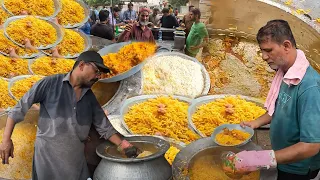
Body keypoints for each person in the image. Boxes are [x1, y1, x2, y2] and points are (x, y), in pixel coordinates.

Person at [0, 51, 140, 179]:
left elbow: (105, 127)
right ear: (81, 65)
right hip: (47, 163)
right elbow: (19, 108)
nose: (98, 76)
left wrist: (124, 145)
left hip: (74, 163)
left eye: (100, 74)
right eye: (96, 71)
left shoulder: (89, 98)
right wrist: (6, 140)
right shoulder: (50, 84)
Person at [226, 20, 320, 180]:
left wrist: (259, 159)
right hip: (281, 157)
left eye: (268, 50)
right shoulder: (286, 72)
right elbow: (279, 106)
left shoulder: (310, 88)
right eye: (262, 51)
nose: (263, 57)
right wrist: (256, 122)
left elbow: (311, 146)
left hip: (297, 168)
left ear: (286, 46)